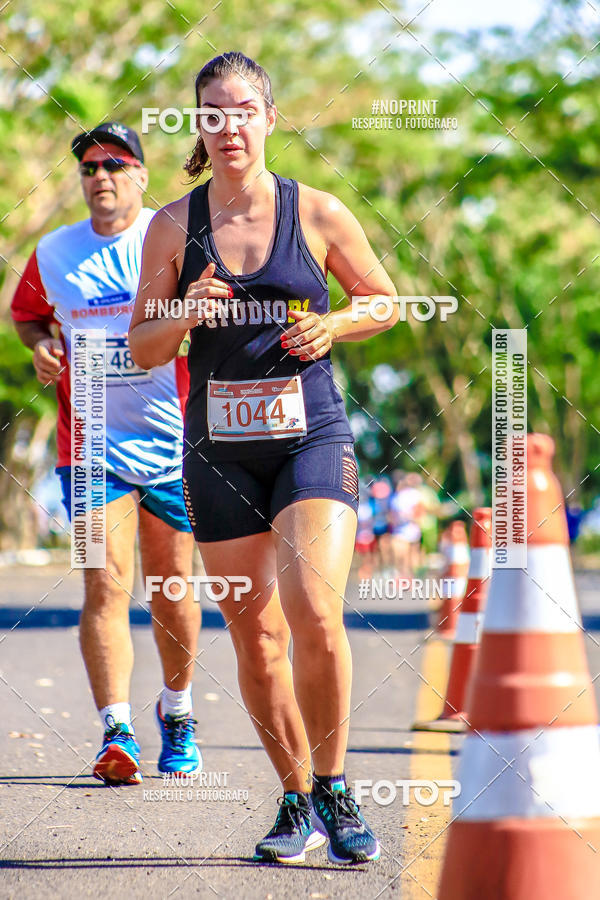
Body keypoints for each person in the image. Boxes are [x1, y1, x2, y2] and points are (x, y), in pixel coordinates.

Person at [129, 52, 399, 864]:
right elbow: (142, 348)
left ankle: (338, 788)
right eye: (211, 112)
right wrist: (182, 310)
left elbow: (384, 301)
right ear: (198, 128)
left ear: (270, 118)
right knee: (256, 639)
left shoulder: (315, 212)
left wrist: (335, 326)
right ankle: (294, 799)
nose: (228, 125)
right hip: (217, 453)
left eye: (242, 109)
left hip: (308, 436)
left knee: (313, 610)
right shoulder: (173, 226)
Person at [10, 122, 202, 786]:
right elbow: (27, 313)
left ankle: (176, 713)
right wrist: (39, 345)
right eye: (90, 166)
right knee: (105, 583)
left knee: (173, 589)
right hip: (89, 448)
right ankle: (116, 731)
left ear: (143, 175)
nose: (101, 176)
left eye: (116, 164)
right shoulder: (54, 251)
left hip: (173, 443)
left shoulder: (170, 239)